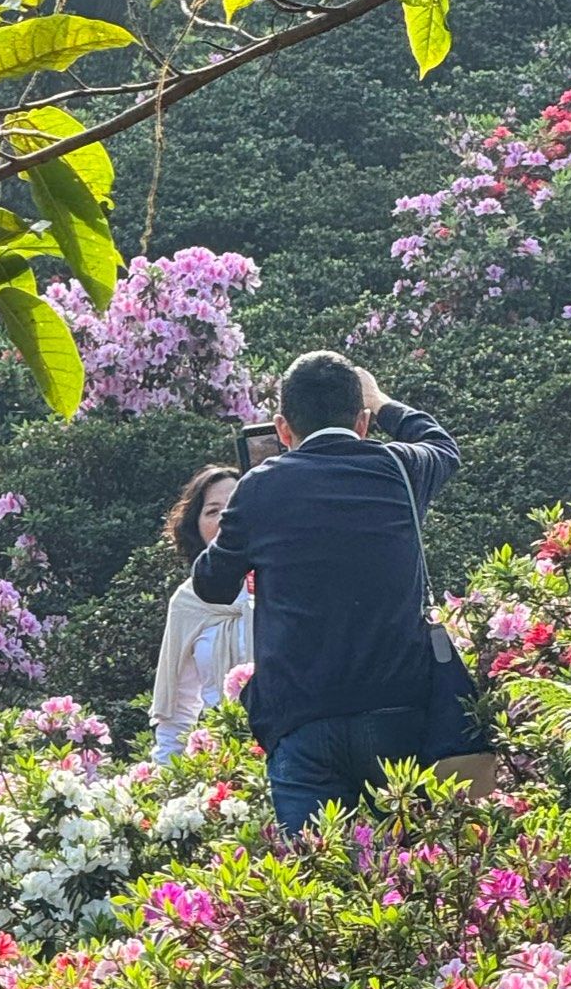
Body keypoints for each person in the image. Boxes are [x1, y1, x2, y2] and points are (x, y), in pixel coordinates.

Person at [188, 351, 461, 832]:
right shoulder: (400, 469)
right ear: (362, 422)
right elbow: (442, 445)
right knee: (408, 879)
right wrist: (385, 403)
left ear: (282, 429)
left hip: (302, 720)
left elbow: (212, 584)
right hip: (398, 709)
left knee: (320, 884)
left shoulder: (259, 488)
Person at [149, 464, 251, 764]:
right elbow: (178, 708)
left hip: (293, 749)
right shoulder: (188, 601)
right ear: (196, 525)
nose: (224, 519)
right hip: (223, 758)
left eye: (234, 507)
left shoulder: (282, 584)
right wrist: (166, 777)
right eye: (212, 511)